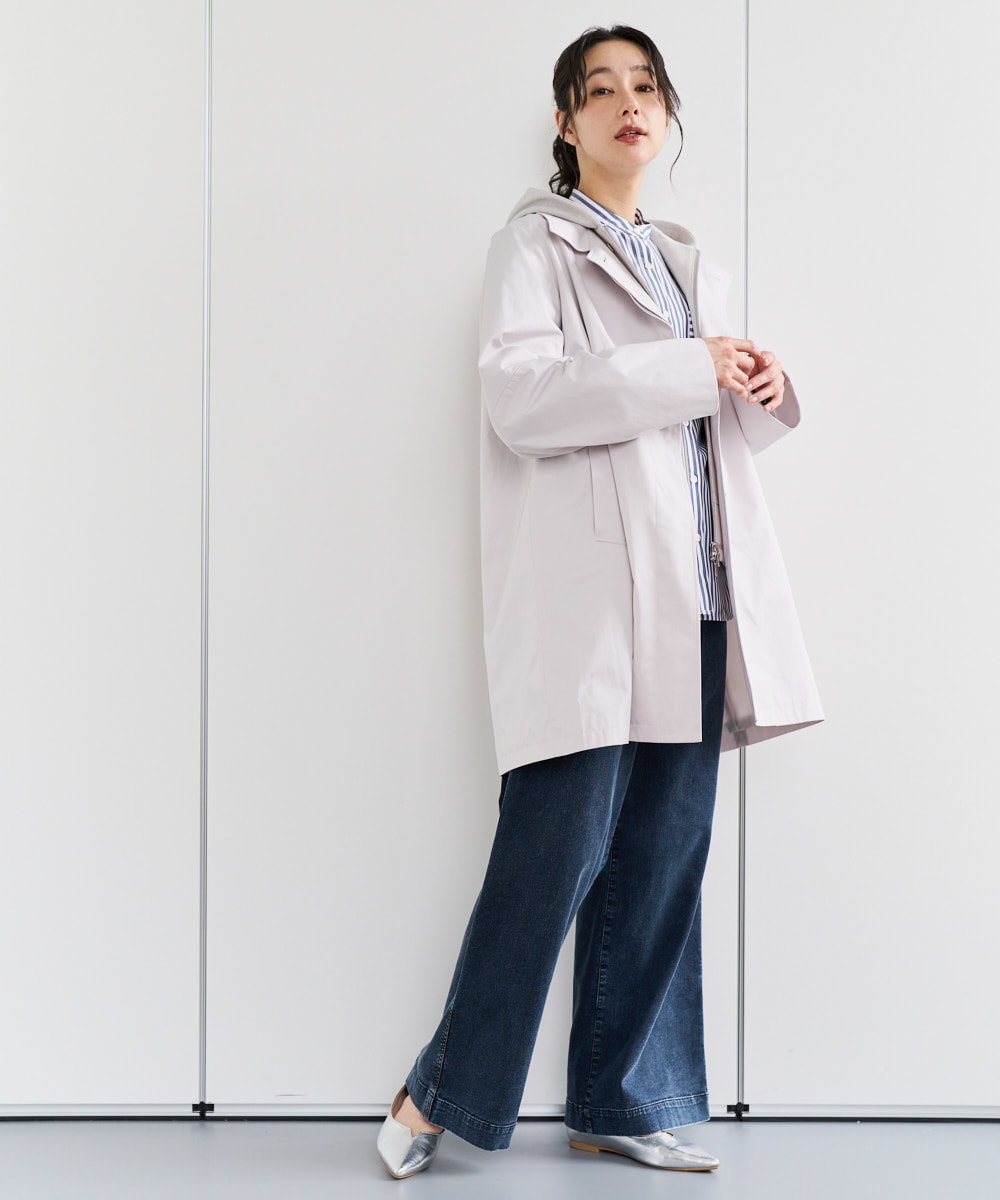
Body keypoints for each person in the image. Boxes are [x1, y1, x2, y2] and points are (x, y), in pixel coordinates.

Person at [376, 24, 823, 1180]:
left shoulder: (686, 264)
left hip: (696, 591)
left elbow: (694, 441)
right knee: (555, 846)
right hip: (594, 605)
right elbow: (522, 400)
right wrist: (688, 367)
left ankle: (623, 1099)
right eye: (601, 89)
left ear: (666, 115)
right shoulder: (534, 244)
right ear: (566, 123)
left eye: (645, 87)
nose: (629, 103)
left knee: (665, 856)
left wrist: (757, 387)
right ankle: (437, 1091)